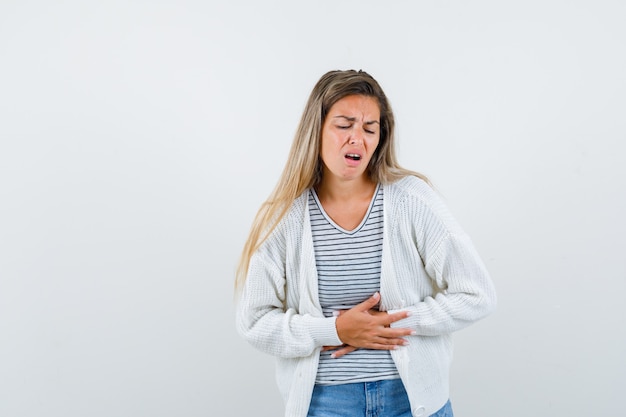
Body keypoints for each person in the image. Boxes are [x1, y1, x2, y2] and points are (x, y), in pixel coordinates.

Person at [235, 69, 496, 417]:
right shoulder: (284, 217)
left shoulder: (412, 200)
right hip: (325, 405)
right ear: (317, 130)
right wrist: (333, 329)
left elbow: (477, 294)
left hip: (412, 401)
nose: (357, 137)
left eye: (370, 128)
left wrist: (396, 321)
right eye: (344, 125)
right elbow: (253, 321)